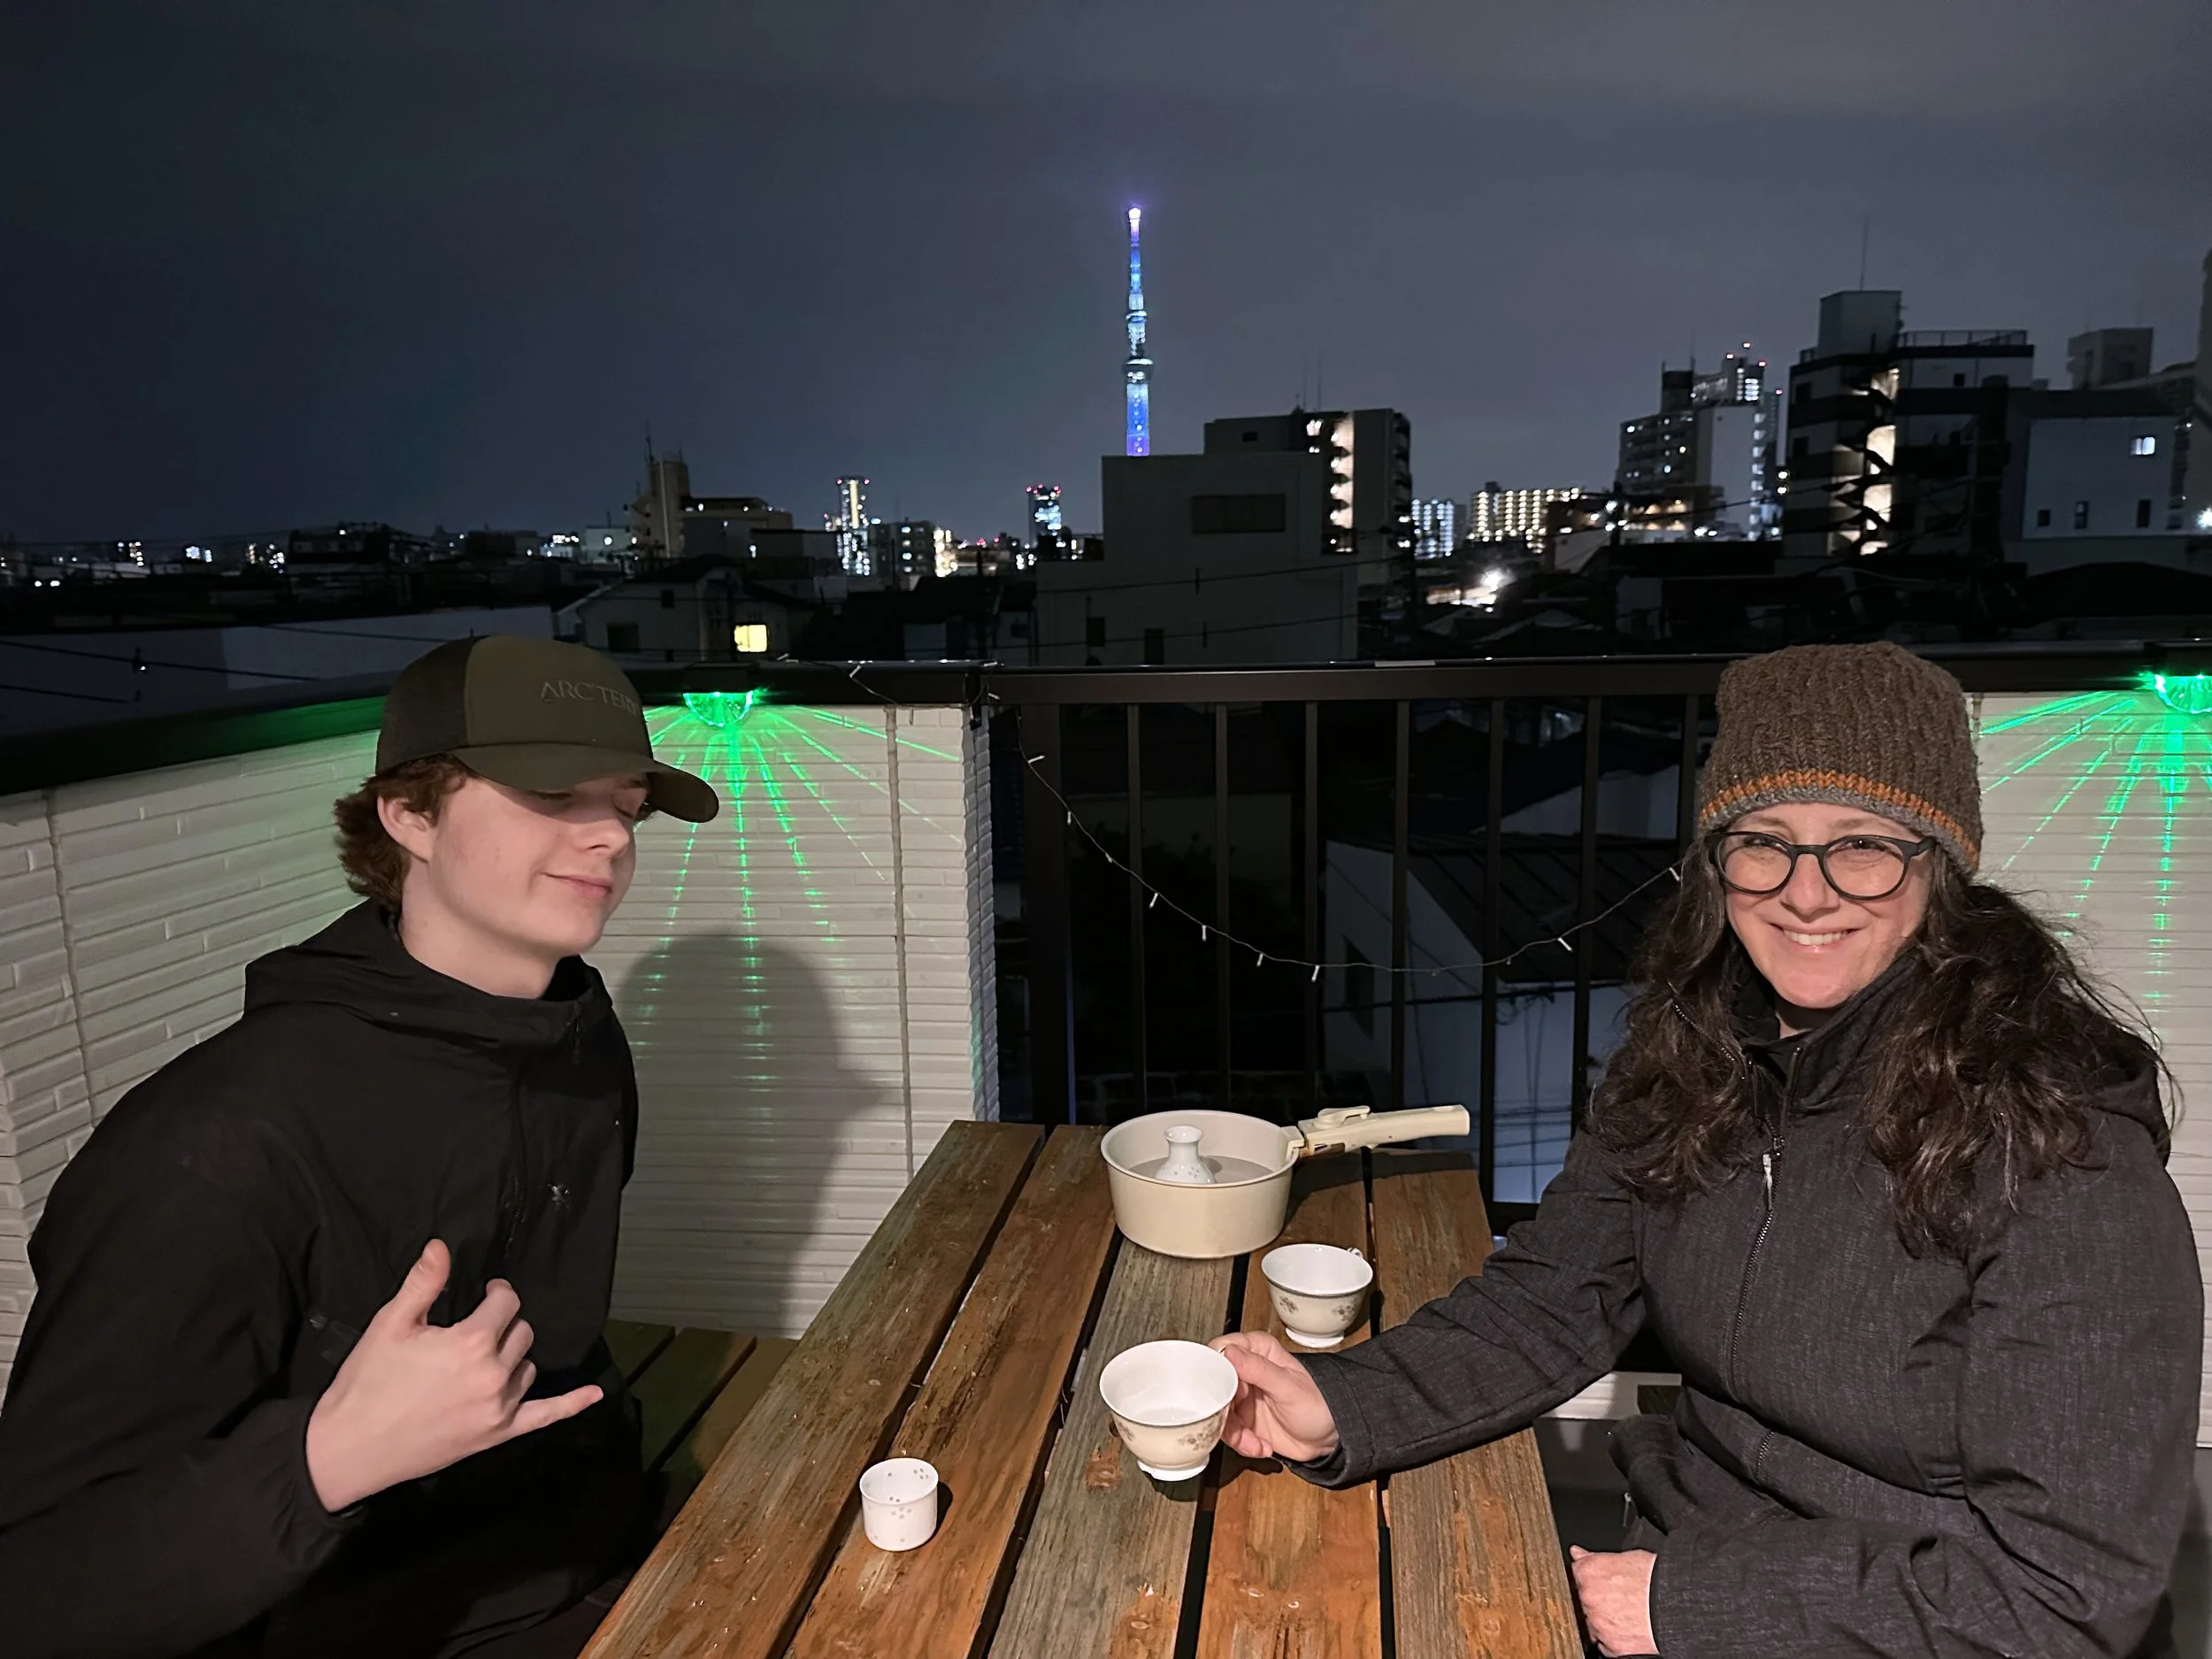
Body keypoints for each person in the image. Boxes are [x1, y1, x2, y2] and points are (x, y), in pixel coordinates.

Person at [1212, 642, 2201, 1659]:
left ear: (1942, 865)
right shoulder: (1692, 1052)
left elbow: (2067, 1589)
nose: (1805, 894)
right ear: (1715, 859)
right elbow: (1556, 1295)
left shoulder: (2058, 1145)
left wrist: (1694, 1608)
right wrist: (1343, 1404)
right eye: (1763, 840)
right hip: (1677, 1566)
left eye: (1863, 844)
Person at [0, 635, 719, 1658]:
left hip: (591, 1548)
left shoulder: (576, 1040)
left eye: (625, 802)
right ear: (409, 813)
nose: (608, 837)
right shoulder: (217, 1143)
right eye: (555, 794)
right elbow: (35, 1588)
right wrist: (326, 1458)